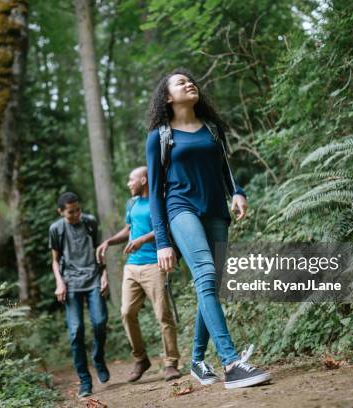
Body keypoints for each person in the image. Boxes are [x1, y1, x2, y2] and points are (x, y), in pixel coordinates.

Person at [145, 68, 272, 389]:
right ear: (168, 97)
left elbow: (225, 168)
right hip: (180, 208)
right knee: (204, 273)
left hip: (215, 209)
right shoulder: (160, 136)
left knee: (212, 286)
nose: (189, 83)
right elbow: (156, 192)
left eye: (191, 80)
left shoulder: (213, 129)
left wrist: (238, 192)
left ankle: (198, 360)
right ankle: (231, 364)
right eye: (180, 82)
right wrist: (163, 241)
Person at [96, 166, 181, 383]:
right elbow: (129, 229)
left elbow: (166, 226)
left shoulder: (158, 200)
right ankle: (141, 359)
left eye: (131, 180)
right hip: (132, 267)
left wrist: (142, 240)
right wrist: (110, 241)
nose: (128, 184)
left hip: (155, 264)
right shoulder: (132, 203)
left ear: (143, 180)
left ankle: (171, 363)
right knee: (126, 312)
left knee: (163, 314)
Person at [49, 192, 110, 398]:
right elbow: (55, 260)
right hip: (71, 284)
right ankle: (85, 381)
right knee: (76, 332)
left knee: (100, 322)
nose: (75, 214)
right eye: (70, 212)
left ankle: (98, 358)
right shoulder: (56, 229)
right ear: (61, 212)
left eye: (78, 210)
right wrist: (59, 282)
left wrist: (105, 275)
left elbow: (99, 251)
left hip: (93, 279)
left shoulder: (90, 222)